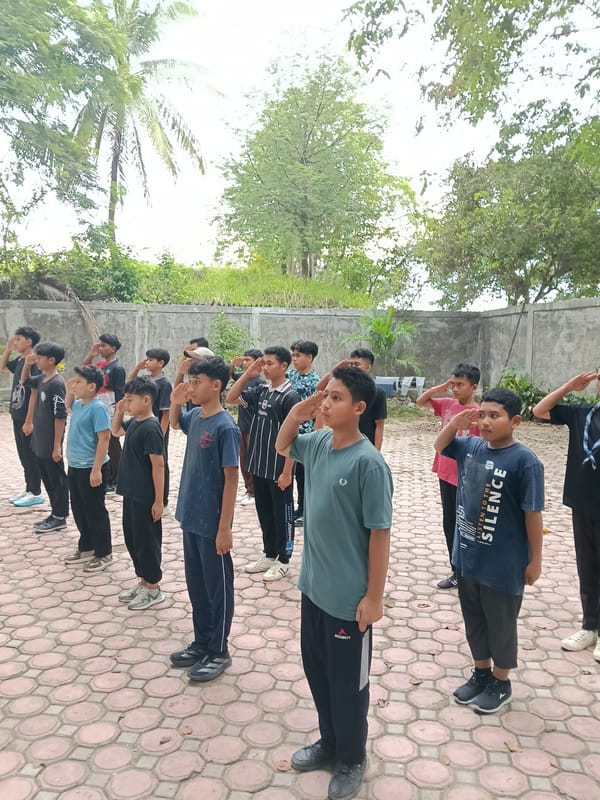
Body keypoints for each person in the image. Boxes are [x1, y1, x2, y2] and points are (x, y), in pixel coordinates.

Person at [275, 366, 393, 800]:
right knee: (319, 673)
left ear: (359, 408)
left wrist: (374, 597)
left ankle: (352, 757)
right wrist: (299, 410)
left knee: (349, 686)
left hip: (349, 600)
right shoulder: (321, 441)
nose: (326, 403)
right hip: (314, 588)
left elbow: (380, 534)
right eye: (326, 395)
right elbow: (282, 443)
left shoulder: (369, 463)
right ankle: (329, 742)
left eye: (336, 398)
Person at [434, 387, 544, 714]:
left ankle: (501, 680)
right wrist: (455, 424)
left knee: (501, 623)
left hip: (503, 564)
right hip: (468, 556)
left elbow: (533, 514)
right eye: (482, 415)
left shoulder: (525, 462)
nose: (484, 422)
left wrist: (535, 561)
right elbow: (441, 446)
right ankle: (481, 672)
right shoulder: (471, 446)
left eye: (494, 416)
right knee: (475, 620)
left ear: (516, 421)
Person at [169, 357, 240, 681]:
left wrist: (224, 528)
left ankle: (218, 650)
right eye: (190, 381)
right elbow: (174, 423)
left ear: (216, 386)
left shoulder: (226, 427)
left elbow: (231, 478)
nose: (192, 387)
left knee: (217, 589)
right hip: (191, 517)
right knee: (197, 587)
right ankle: (201, 642)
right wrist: (174, 400)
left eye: (197, 382)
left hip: (212, 524)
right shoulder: (196, 415)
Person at [532, 371, 600, 660]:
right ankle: (590, 626)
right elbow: (539, 411)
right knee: (588, 566)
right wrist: (569, 387)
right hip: (582, 502)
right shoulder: (582, 413)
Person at [226, 346, 300, 582]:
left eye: (269, 363)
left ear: (284, 366)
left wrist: (288, 471)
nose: (265, 367)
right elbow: (230, 398)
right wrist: (247, 374)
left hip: (279, 469)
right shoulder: (261, 391)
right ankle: (269, 554)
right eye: (263, 363)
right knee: (265, 512)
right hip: (259, 465)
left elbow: (294, 436)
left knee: (283, 514)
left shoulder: (290, 396)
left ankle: (284, 560)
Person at [417, 363, 481, 589]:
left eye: (460, 385)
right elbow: (421, 401)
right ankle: (456, 570)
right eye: (453, 384)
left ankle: (468, 569)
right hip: (445, 473)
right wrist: (439, 388)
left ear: (473, 387)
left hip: (467, 477)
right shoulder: (447, 404)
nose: (455, 389)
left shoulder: (478, 414)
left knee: (466, 523)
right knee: (449, 521)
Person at [112, 378, 166, 610]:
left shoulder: (152, 428)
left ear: (146, 400)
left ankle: (153, 588)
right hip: (131, 493)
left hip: (145, 497)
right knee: (133, 539)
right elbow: (115, 431)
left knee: (147, 542)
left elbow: (158, 466)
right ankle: (143, 581)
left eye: (130, 399)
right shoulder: (135, 421)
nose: (127, 403)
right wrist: (119, 410)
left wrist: (158, 500)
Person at [64, 366, 112, 571]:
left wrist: (96, 469)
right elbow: (67, 405)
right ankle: (87, 546)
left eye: (78, 382)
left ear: (92, 387)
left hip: (91, 467)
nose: (74, 384)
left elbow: (104, 439)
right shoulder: (79, 404)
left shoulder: (98, 408)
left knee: (95, 511)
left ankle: (104, 552)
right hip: (75, 466)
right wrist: (69, 389)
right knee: (79, 509)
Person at [22, 342, 69, 533]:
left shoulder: (57, 384)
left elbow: (60, 417)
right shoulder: (42, 378)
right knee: (48, 480)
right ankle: (54, 512)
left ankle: (60, 516)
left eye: (40, 357)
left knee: (56, 479)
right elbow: (25, 381)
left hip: (51, 443)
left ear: (51, 360)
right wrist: (26, 364)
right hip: (40, 441)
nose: (37, 360)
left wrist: (57, 445)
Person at [1, 326, 44, 507]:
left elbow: (34, 392)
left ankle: (35, 492)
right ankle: (28, 488)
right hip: (17, 414)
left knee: (30, 455)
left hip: (28, 417)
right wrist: (8, 349)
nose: (15, 341)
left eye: (18, 339)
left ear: (29, 342)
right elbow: (2, 367)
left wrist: (29, 420)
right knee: (22, 454)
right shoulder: (20, 360)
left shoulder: (34, 362)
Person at [316, 349, 387, 450]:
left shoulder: (378, 393)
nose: (353, 368)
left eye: (357, 364)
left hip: (365, 444)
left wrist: (377, 451)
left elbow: (379, 426)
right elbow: (320, 387)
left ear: (368, 367)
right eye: (351, 364)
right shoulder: (343, 389)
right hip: (342, 443)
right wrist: (337, 368)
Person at [128, 348, 172, 505]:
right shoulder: (145, 379)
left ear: (161, 363)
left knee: (160, 461)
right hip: (142, 425)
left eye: (151, 359)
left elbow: (166, 413)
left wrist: (160, 432)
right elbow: (129, 385)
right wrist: (136, 368)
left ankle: (163, 497)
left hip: (157, 427)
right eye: (147, 359)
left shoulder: (165, 384)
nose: (147, 362)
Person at [83, 334, 126, 491]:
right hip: (97, 408)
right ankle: (106, 476)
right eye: (100, 346)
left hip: (110, 410)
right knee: (100, 442)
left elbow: (119, 392)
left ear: (113, 348)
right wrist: (91, 355)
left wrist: (117, 415)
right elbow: (85, 371)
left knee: (113, 444)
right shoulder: (100, 364)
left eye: (104, 346)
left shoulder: (118, 368)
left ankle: (116, 478)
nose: (100, 348)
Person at [288, 340, 320, 527]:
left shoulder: (316, 382)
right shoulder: (289, 375)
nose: (295, 359)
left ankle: (304, 510)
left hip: (305, 434)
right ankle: (294, 508)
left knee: (303, 476)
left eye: (298, 355)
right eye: (293, 355)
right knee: (288, 474)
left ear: (309, 357)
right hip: (288, 432)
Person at [230, 349, 265, 507]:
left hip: (253, 427)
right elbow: (230, 376)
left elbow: (239, 400)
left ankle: (254, 492)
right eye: (243, 360)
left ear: (258, 362)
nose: (244, 363)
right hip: (242, 425)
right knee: (243, 459)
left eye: (247, 360)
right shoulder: (243, 379)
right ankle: (248, 489)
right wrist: (232, 365)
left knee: (252, 460)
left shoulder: (260, 383)